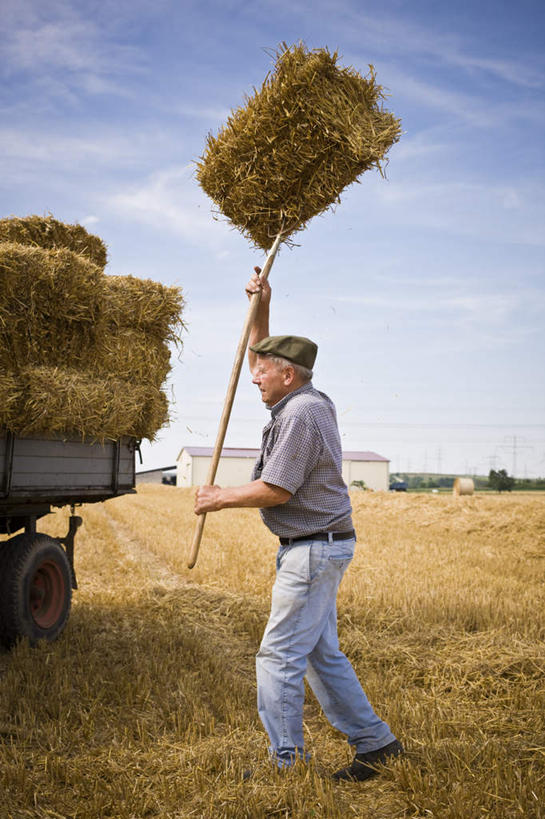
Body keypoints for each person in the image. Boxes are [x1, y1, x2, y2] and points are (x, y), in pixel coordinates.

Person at [194, 267, 403, 781]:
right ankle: (377, 744)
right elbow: (259, 351)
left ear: (287, 373)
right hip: (316, 547)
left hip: (312, 550)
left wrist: (221, 497)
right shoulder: (299, 399)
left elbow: (277, 489)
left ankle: (285, 764)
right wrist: (262, 303)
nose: (254, 376)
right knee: (317, 655)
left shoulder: (301, 414)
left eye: (263, 371)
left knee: (278, 656)